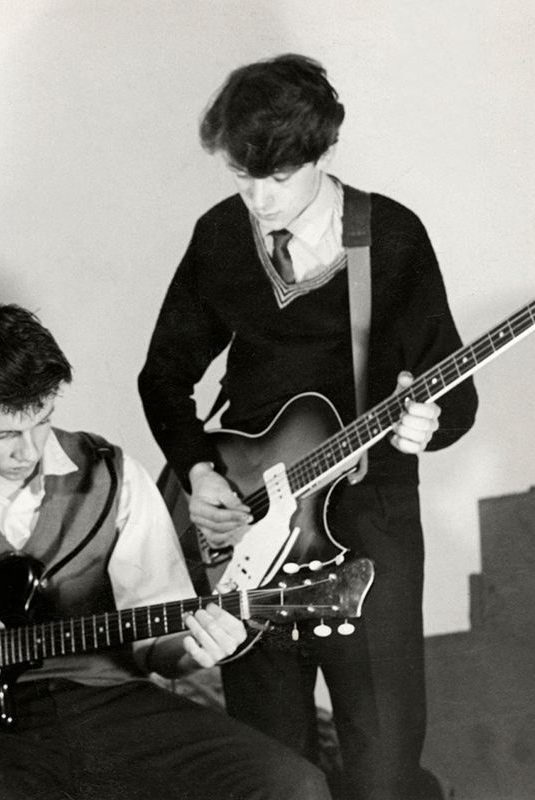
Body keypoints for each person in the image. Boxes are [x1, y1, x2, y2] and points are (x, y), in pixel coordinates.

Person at [0, 304, 330, 800]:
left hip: (111, 704)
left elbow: (159, 644)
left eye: (41, 420)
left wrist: (194, 650)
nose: (29, 450)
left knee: (293, 786)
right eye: (3, 433)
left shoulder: (112, 473)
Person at [137, 54, 479, 799]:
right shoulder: (222, 236)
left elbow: (459, 395)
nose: (258, 199)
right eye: (240, 177)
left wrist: (430, 420)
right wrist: (198, 474)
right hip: (254, 522)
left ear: (322, 152)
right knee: (271, 766)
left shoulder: (389, 237)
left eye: (278, 178)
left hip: (370, 518)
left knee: (383, 767)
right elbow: (162, 376)